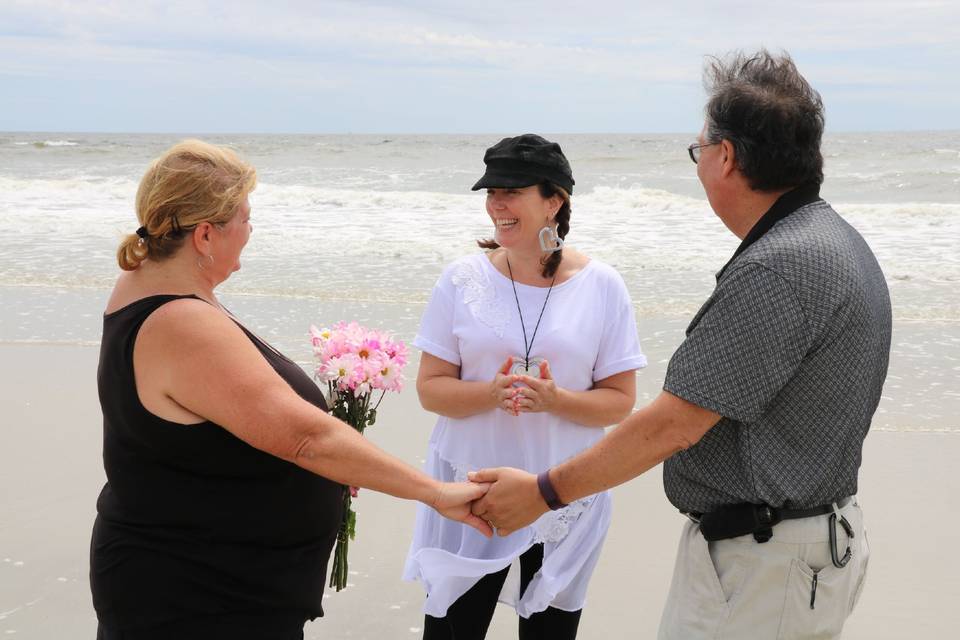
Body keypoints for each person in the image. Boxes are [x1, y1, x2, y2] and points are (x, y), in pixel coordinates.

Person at [469, 51, 892, 639]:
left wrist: (543, 492)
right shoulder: (835, 240)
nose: (698, 164)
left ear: (727, 157)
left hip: (765, 563)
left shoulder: (781, 267)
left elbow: (675, 423)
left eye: (699, 150)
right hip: (808, 543)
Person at [91, 140, 492, 640]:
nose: (251, 230)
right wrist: (436, 493)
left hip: (204, 581)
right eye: (245, 217)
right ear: (205, 235)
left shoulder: (149, 285)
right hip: (197, 597)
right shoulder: (180, 322)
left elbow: (220, 424)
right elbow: (306, 438)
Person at [402, 134, 647, 640]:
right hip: (472, 490)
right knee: (450, 632)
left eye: (511, 191)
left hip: (564, 494)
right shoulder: (460, 279)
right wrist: (489, 394)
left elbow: (620, 403)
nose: (497, 205)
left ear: (554, 200)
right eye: (491, 192)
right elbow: (430, 390)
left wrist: (558, 401)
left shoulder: (603, 286)